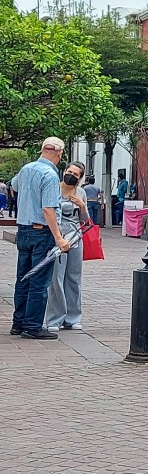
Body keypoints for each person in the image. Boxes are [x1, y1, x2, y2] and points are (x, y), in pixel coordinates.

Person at [10, 137, 71, 340]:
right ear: (59, 153)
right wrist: (59, 238)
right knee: (39, 280)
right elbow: (48, 209)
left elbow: (15, 187)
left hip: (24, 228)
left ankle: (18, 323)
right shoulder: (50, 175)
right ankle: (32, 325)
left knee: (23, 278)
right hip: (41, 231)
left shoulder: (26, 169)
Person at [45, 161, 89, 332]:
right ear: (64, 171)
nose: (71, 175)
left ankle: (73, 317)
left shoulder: (81, 193)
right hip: (57, 237)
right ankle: (55, 319)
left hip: (75, 237)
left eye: (76, 174)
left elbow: (85, 221)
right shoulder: (53, 189)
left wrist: (82, 206)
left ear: (80, 178)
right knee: (56, 278)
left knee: (74, 277)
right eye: (70, 171)